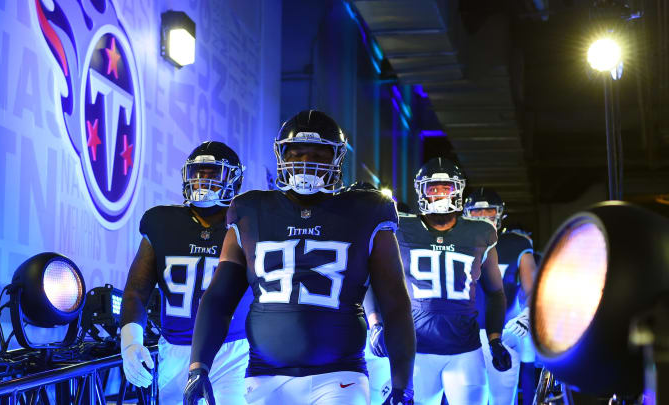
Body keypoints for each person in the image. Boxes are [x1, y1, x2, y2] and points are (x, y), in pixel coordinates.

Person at [183, 110, 416, 405]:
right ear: (282, 155)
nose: (306, 163)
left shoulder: (366, 210)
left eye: (319, 154)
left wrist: (402, 384)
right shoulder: (250, 211)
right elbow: (218, 297)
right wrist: (198, 366)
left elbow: (395, 301)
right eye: (297, 153)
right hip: (264, 375)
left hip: (340, 374)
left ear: (336, 160)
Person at [366, 158, 511, 405]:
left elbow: (496, 291)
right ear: (422, 192)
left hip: (465, 350)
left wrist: (495, 338)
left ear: (459, 190)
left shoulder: (480, 232)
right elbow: (370, 278)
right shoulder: (400, 227)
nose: (441, 195)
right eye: (434, 189)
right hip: (415, 349)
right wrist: (375, 325)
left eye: (447, 188)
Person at [119, 141, 251, 405]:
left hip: (233, 350)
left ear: (234, 180)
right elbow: (137, 290)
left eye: (213, 173)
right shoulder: (161, 222)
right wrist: (130, 342)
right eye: (198, 172)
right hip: (177, 348)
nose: (204, 179)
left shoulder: (248, 223)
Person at [464, 188, 538, 405]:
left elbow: (532, 288)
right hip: (463, 333)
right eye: (477, 213)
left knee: (502, 399)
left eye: (488, 211)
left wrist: (528, 314)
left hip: (504, 331)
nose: (483, 217)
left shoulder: (516, 244)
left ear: (500, 214)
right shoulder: (455, 241)